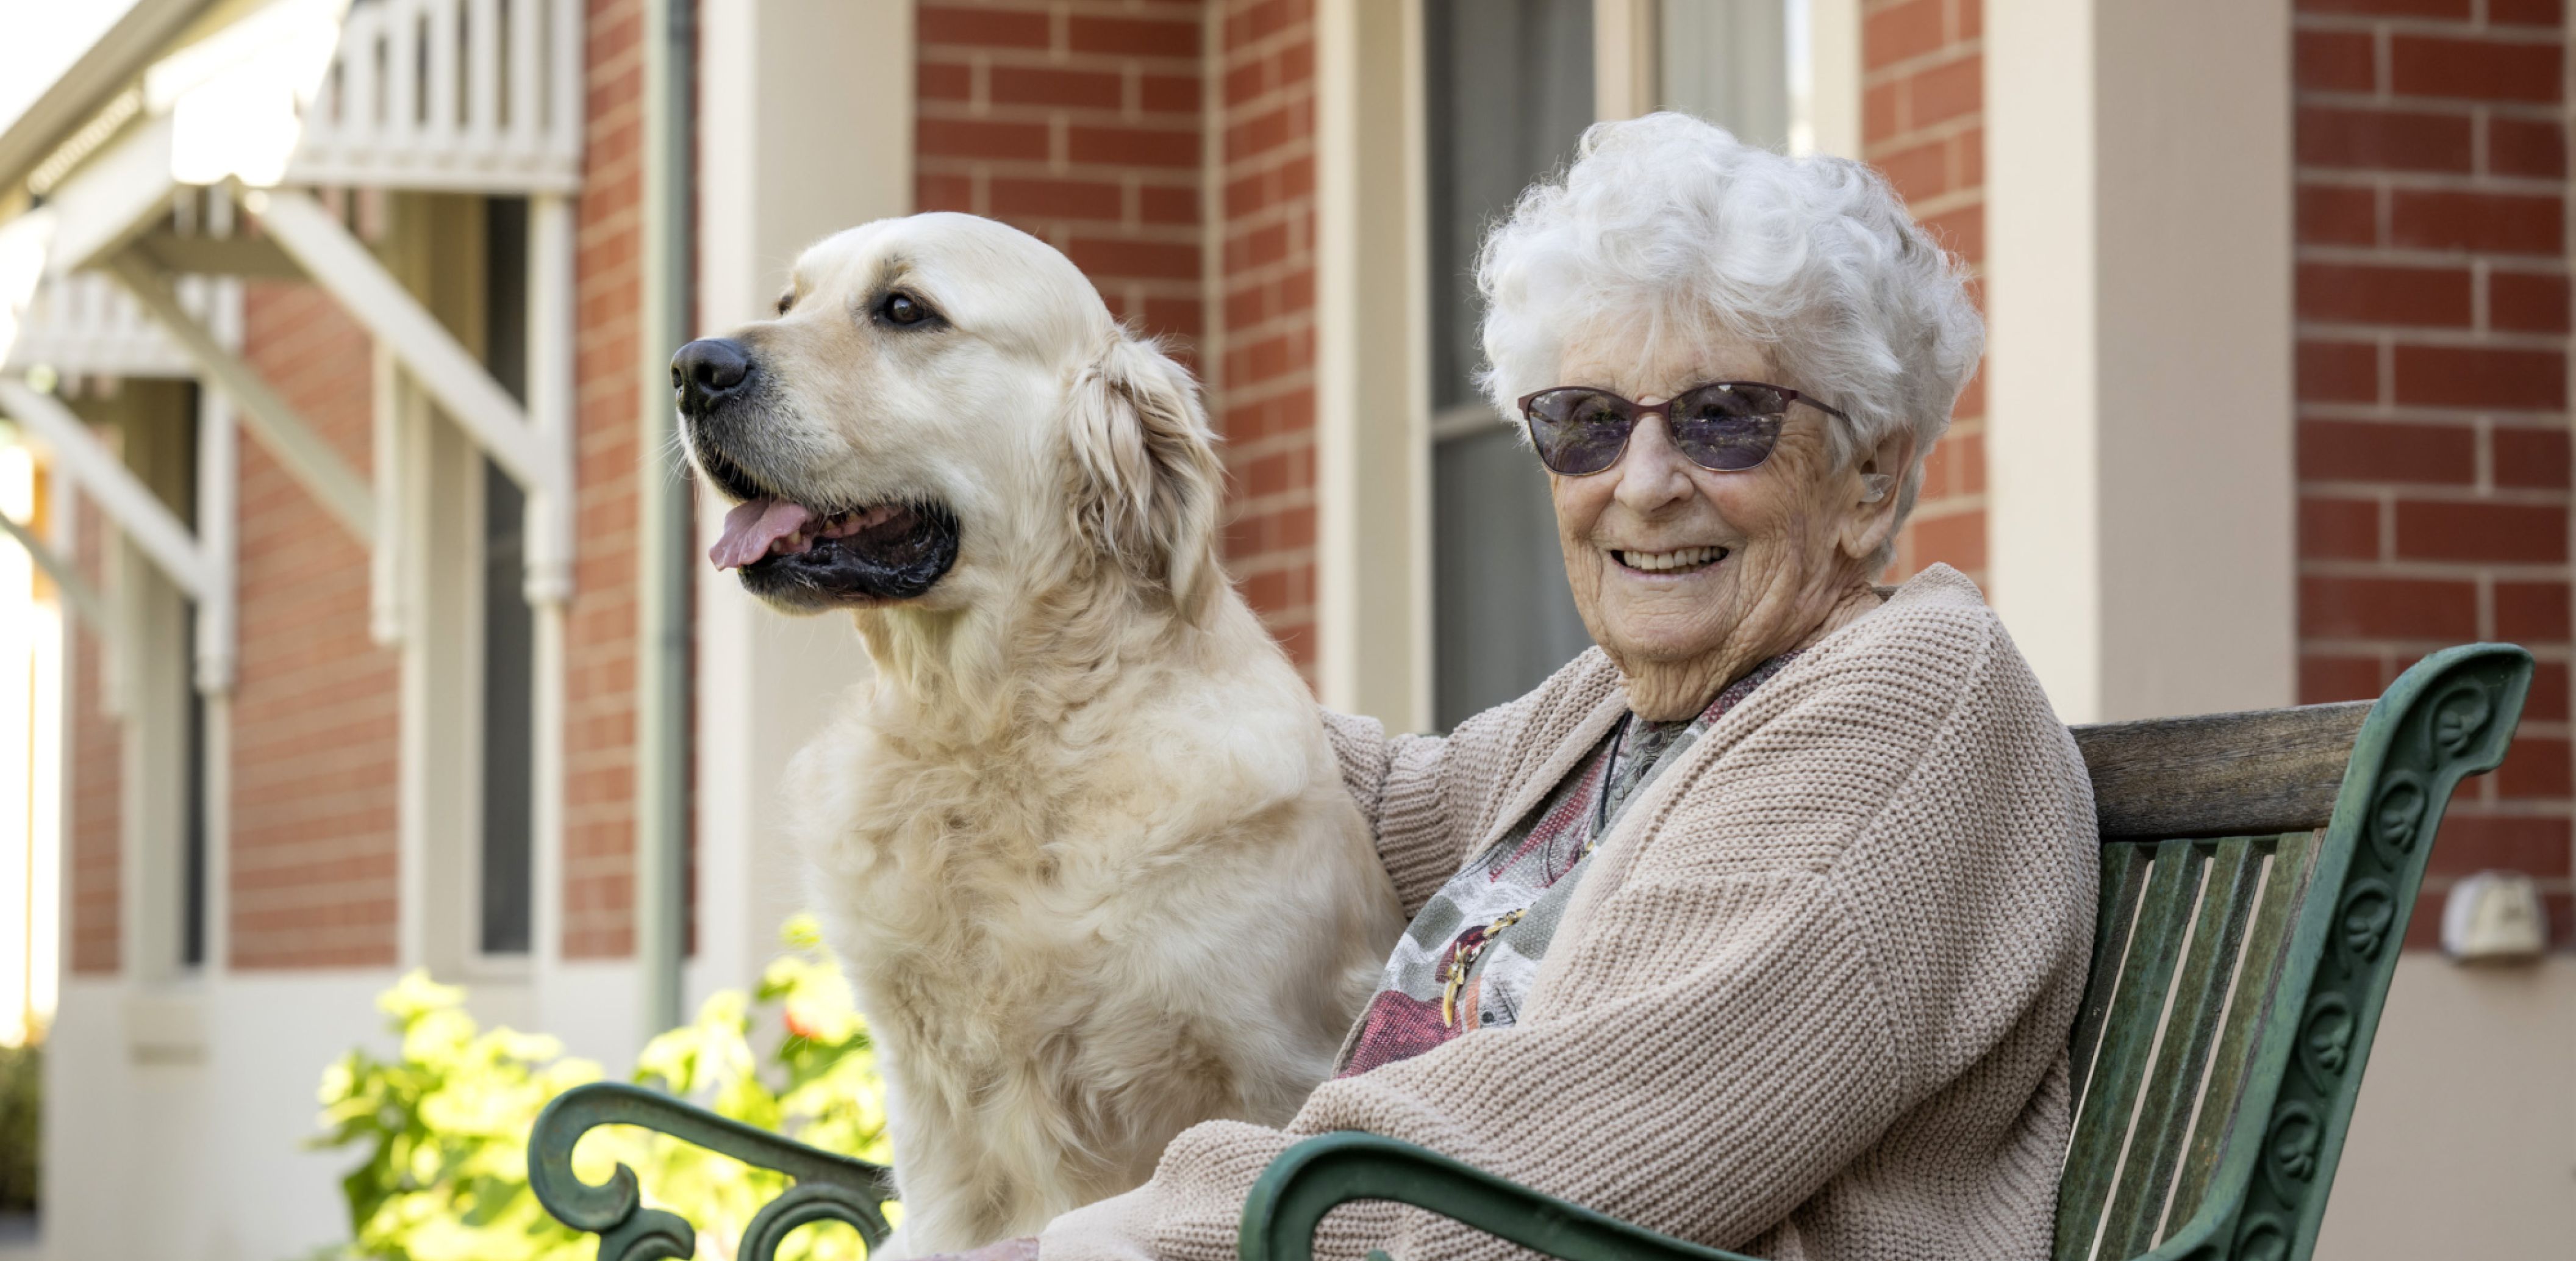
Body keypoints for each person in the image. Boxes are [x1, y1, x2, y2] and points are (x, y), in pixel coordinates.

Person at [953, 112, 2097, 1261]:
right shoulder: (1626, 709)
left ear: (1872, 474)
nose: (1642, 486)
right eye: (1587, 424)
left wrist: (1104, 1242)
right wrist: (1058, 632)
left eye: (1723, 418)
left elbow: (1572, 1152)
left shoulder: (1899, 712)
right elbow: (1377, 797)